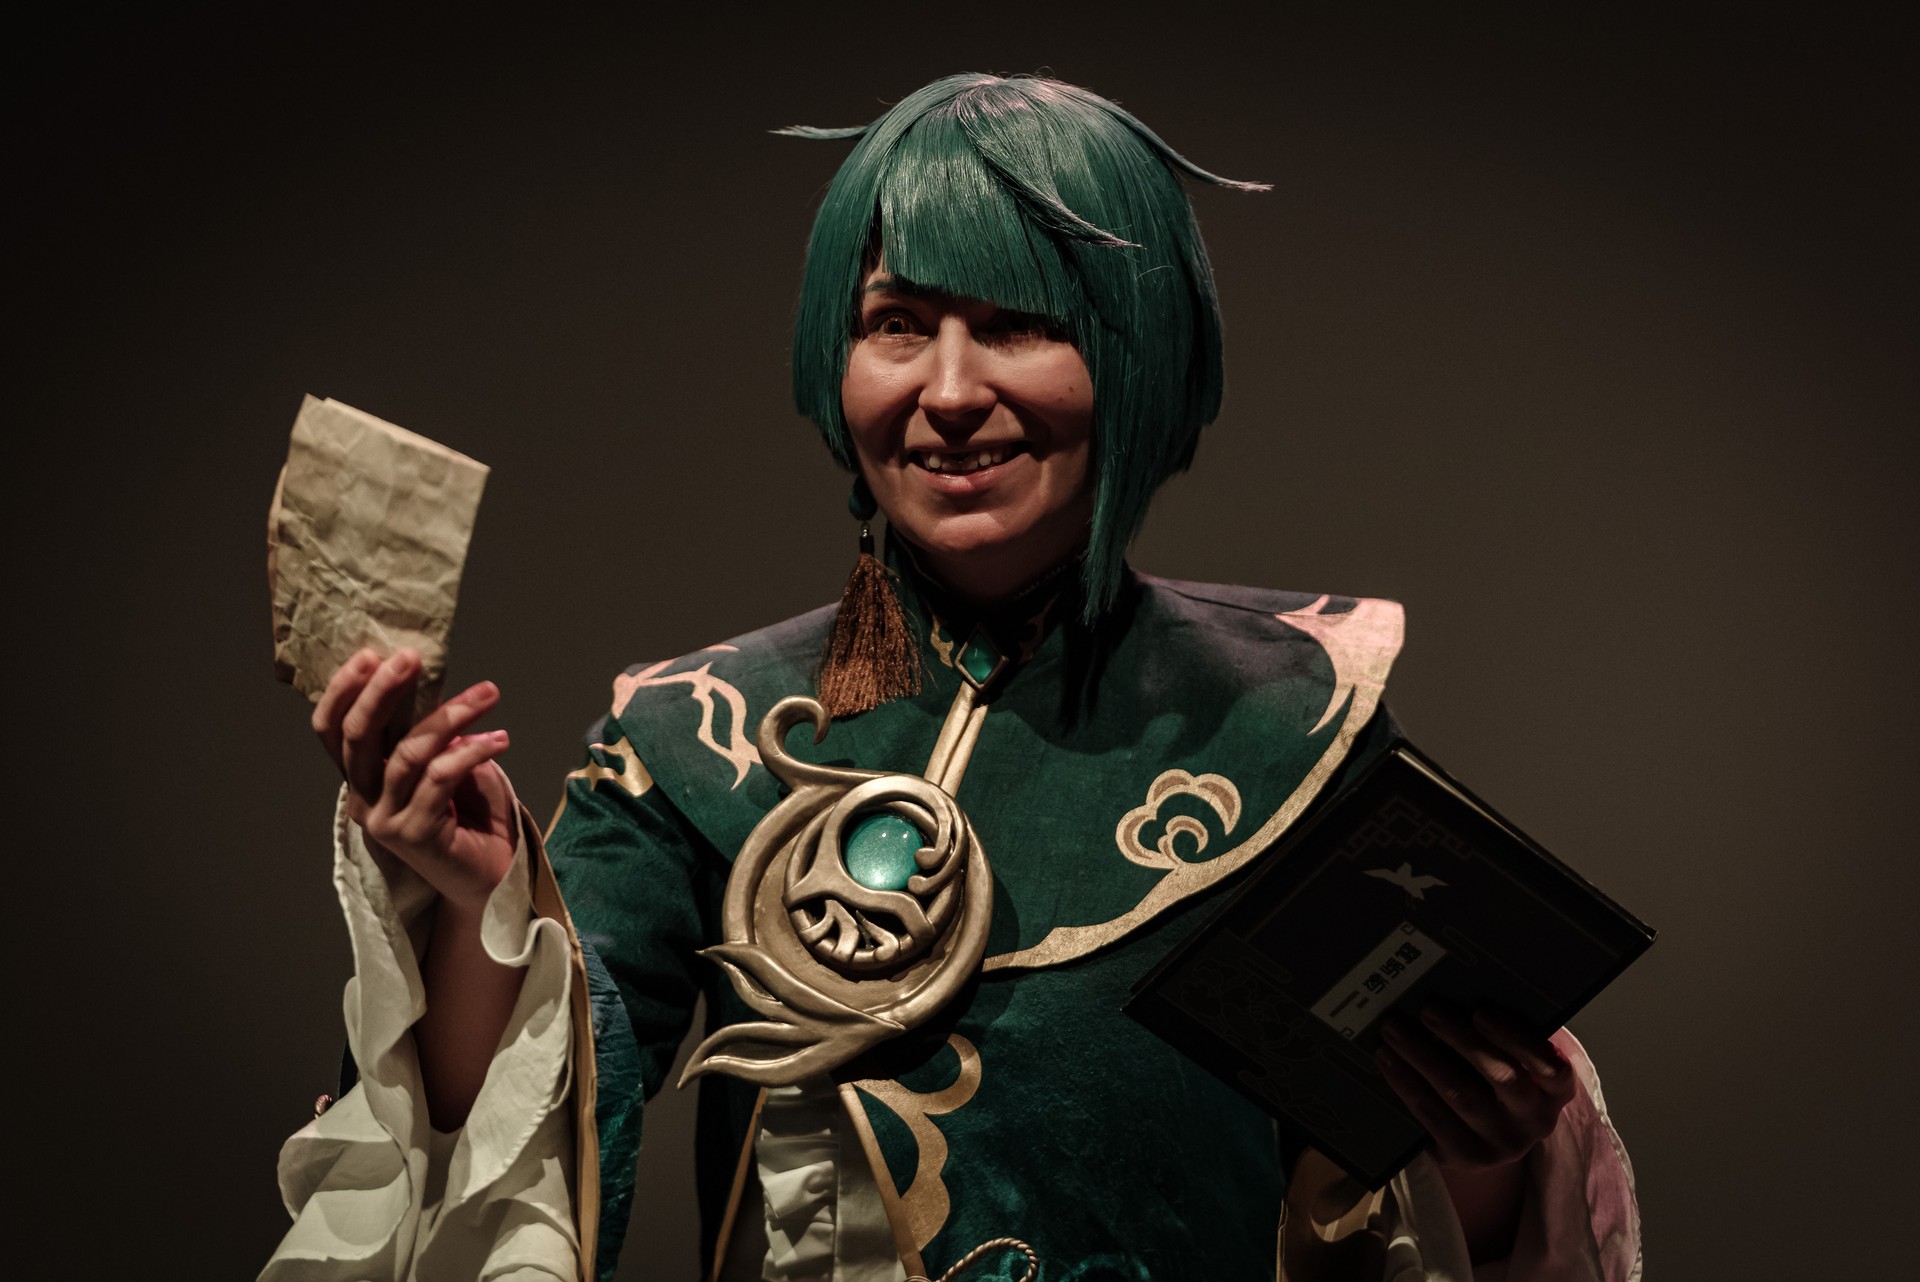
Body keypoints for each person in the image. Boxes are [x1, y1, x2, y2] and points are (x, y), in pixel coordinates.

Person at [263, 74, 1641, 1282]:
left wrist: (1491, 1147)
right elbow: (548, 1104)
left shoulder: (1294, 718)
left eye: (1020, 324)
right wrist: (475, 906)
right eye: (897, 323)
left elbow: (1396, 1190)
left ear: (1139, 353)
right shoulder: (693, 738)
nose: (950, 390)